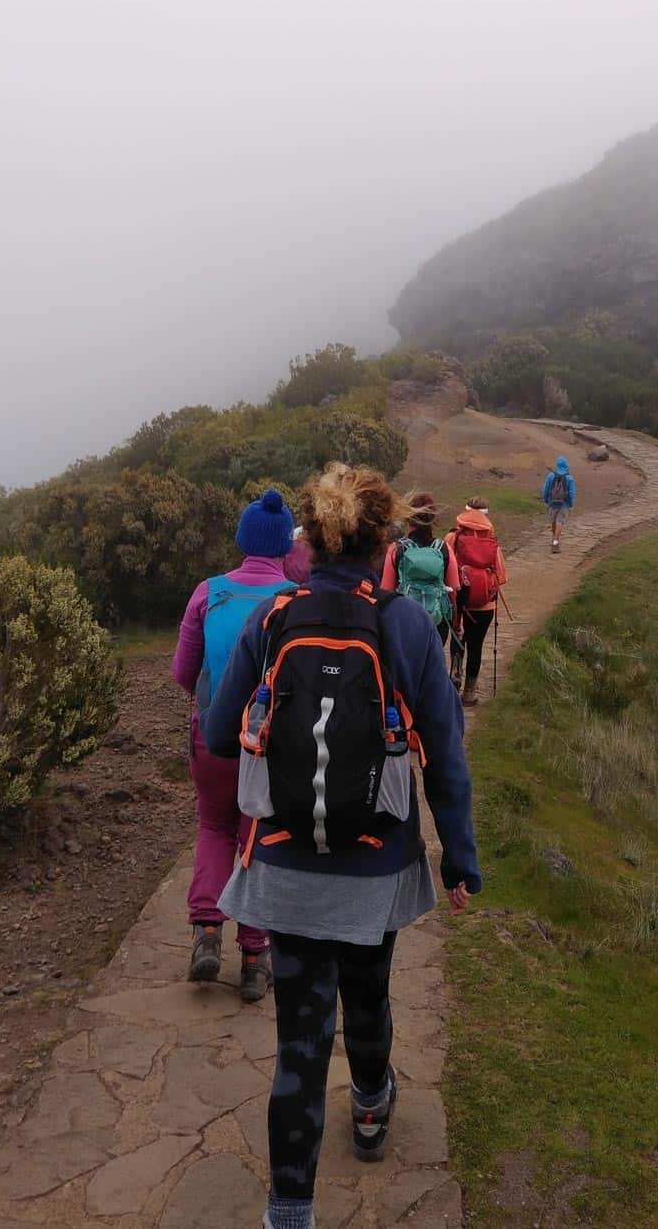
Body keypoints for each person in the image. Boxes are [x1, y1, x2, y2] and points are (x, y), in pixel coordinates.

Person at [203, 462, 481, 1229]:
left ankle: (289, 1212)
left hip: (286, 866)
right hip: (377, 865)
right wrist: (459, 859)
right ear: (381, 536)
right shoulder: (409, 627)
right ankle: (368, 1111)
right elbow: (447, 759)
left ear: (314, 538)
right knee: (368, 996)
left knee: (299, 1040)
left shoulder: (273, 618)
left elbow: (220, 730)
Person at [171, 487, 297, 1001]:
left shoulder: (209, 592)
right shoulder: (296, 598)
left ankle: (205, 932)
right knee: (257, 838)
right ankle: (254, 957)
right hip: (272, 746)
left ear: (243, 539)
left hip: (212, 737)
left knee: (214, 826)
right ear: (285, 545)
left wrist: (208, 706)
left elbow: (183, 671)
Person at [445, 496, 508, 707]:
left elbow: (444, 567)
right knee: (476, 645)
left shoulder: (453, 537)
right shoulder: (491, 541)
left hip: (458, 603)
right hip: (485, 606)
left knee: (457, 642)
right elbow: (502, 576)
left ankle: (455, 679)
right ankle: (470, 692)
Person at [379, 490, 460, 644]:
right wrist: (456, 622)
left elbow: (386, 590)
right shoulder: (444, 548)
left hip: (404, 620)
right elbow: (453, 591)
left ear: (409, 518)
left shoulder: (397, 549)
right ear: (432, 518)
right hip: (436, 621)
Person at [541, 455, 576, 553]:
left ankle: (554, 539)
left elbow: (546, 489)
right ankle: (555, 543)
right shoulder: (569, 478)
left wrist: (546, 500)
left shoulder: (551, 476)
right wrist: (570, 504)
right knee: (560, 522)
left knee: (553, 521)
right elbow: (572, 493)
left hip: (552, 502)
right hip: (563, 504)